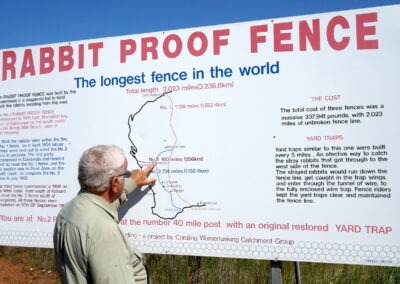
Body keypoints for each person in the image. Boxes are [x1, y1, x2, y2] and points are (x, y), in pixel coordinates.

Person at [53, 144, 156, 283]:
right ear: (115, 183)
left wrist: (131, 183)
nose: (127, 177)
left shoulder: (69, 210)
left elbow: (102, 205)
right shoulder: (105, 232)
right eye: (126, 174)